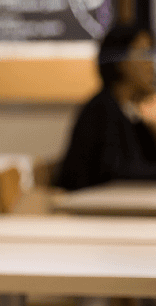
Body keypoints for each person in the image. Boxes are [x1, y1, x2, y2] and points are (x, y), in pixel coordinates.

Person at [54, 23, 156, 191]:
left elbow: (146, 162)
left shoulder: (129, 111)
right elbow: (116, 173)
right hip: (83, 211)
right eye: (144, 54)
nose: (151, 66)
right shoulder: (101, 111)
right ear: (121, 62)